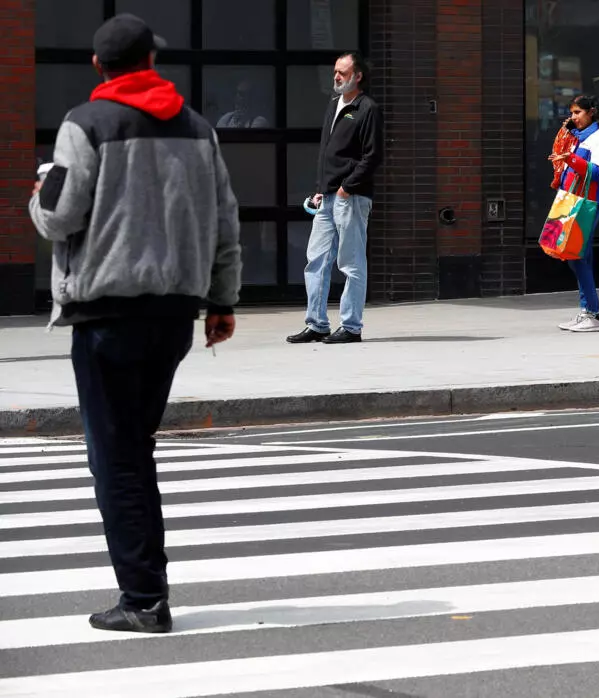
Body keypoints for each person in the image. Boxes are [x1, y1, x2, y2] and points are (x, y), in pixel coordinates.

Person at [27, 13, 242, 633]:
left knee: (118, 458)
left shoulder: (84, 125)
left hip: (107, 315)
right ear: (151, 60)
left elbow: (61, 216)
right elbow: (225, 222)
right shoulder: (198, 129)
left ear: (99, 66)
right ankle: (146, 590)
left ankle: (143, 598)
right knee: (135, 450)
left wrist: (35, 194)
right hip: (174, 315)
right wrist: (222, 302)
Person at [287, 52, 383, 344]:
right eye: (335, 72)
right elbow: (326, 152)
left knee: (351, 263)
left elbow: (373, 156)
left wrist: (346, 188)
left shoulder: (367, 109)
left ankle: (352, 327)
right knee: (315, 260)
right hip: (328, 198)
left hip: (351, 198)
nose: (337, 77)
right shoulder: (334, 105)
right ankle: (316, 323)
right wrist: (322, 187)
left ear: (358, 76)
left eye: (342, 72)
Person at [548, 95, 599, 332]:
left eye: (577, 112)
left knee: (576, 255)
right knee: (576, 255)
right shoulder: (582, 137)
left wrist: (571, 159)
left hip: (588, 202)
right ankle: (589, 312)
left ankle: (593, 314)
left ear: (592, 112)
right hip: (574, 201)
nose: (573, 118)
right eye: (572, 112)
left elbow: (598, 173)